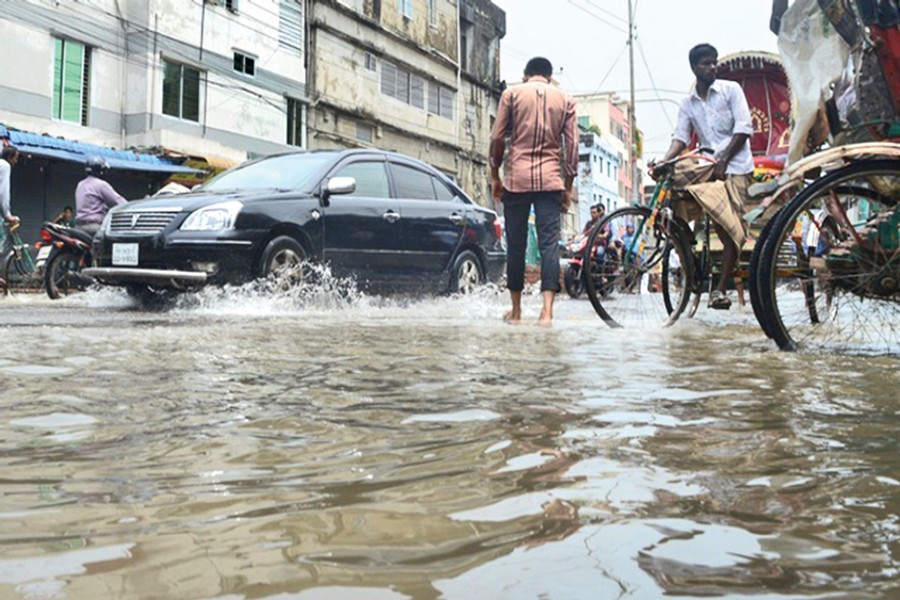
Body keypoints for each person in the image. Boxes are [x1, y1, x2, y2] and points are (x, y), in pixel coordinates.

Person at [657, 43, 754, 310]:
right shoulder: (688, 104)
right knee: (671, 176)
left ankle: (719, 290)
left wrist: (724, 160)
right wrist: (664, 162)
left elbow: (744, 129)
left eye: (714, 62)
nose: (713, 67)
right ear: (694, 68)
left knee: (729, 230)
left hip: (735, 167)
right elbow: (681, 138)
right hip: (708, 165)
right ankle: (683, 238)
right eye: (706, 63)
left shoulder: (730, 91)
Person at [490, 56, 578, 324]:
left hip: (517, 179)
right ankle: (547, 312)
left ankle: (516, 312)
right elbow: (572, 147)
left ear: (526, 75)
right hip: (551, 181)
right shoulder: (566, 100)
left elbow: (497, 138)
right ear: (549, 77)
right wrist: (567, 187)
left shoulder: (512, 94)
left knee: (516, 244)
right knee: (549, 244)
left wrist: (495, 176)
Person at [75, 156, 126, 236]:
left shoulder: (80, 184)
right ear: (101, 171)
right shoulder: (101, 185)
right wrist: (131, 206)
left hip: (79, 227)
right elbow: (119, 202)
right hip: (94, 228)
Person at [1, 145, 20, 230]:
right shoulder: (5, 166)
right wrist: (7, 214)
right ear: (9, 157)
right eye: (15, 158)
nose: (16, 161)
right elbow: (3, 191)